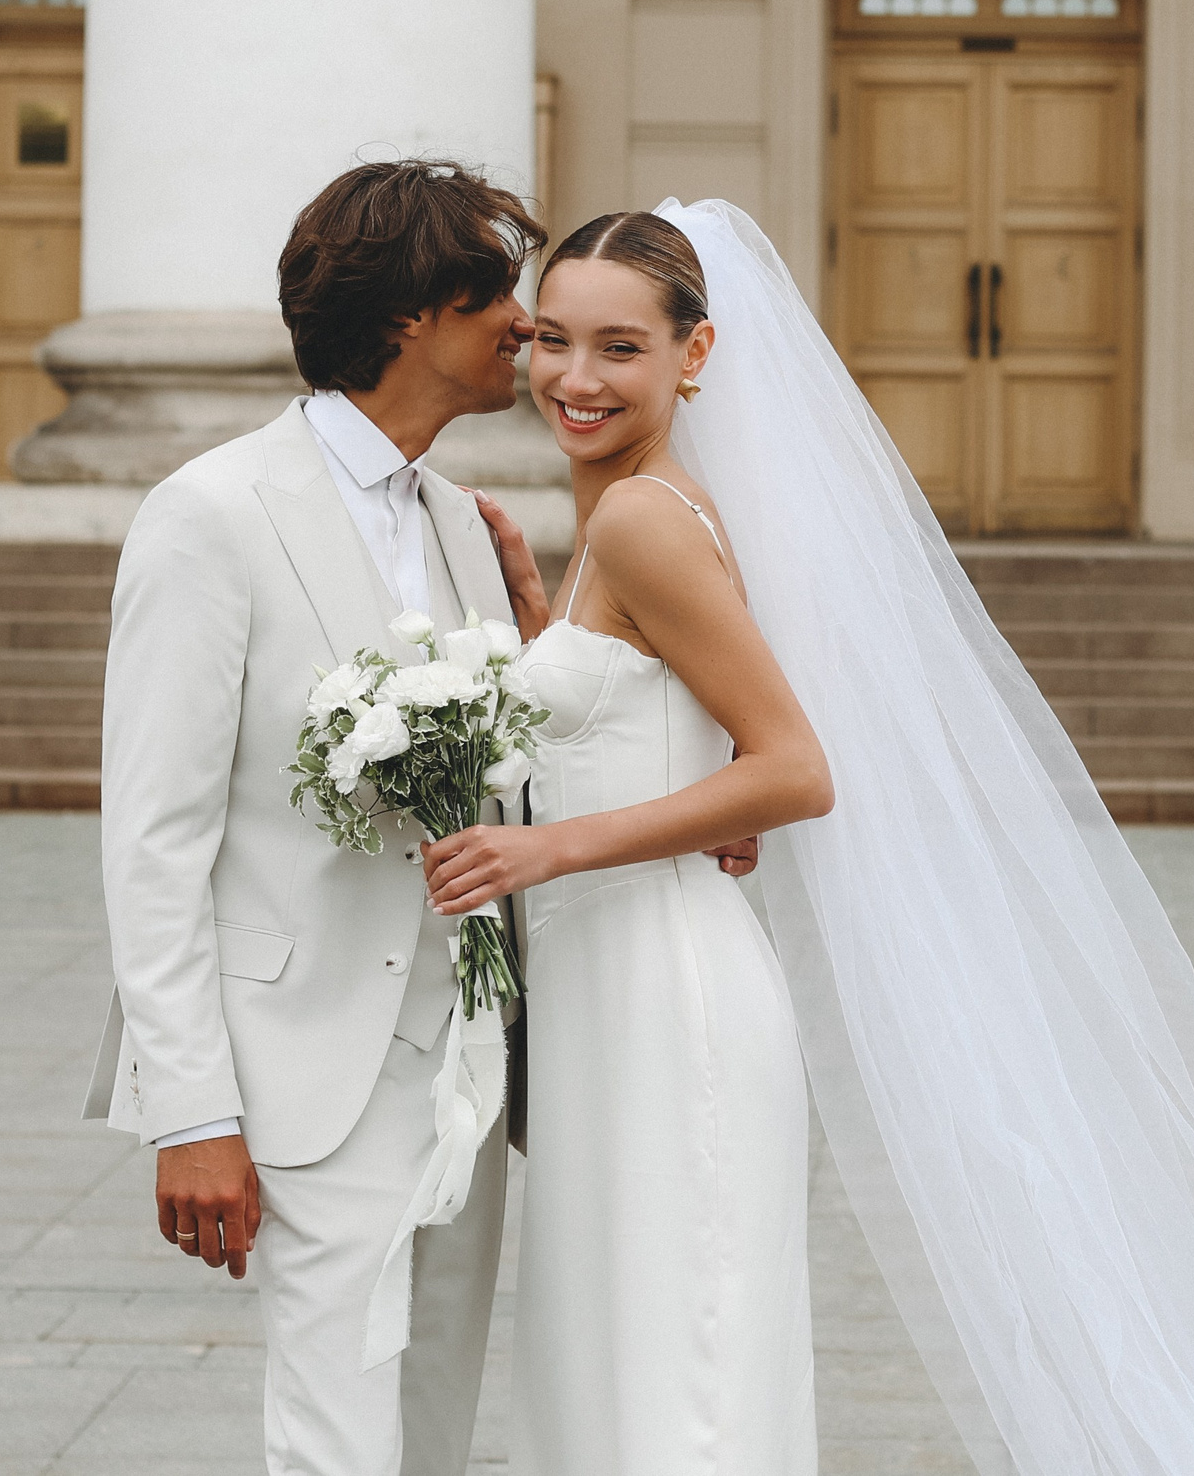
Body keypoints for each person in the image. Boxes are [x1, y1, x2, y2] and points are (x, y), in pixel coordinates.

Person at [422, 202, 1194, 1476]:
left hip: (661, 995)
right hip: (610, 992)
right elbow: (659, 731)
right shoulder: (623, 515)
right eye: (555, 342)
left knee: (675, 1370)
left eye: (620, 348)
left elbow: (794, 770)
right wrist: (536, 629)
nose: (575, 379)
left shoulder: (640, 521)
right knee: (629, 1358)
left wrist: (547, 854)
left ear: (696, 355)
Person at [85, 160, 758, 1476]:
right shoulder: (210, 516)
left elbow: (509, 756)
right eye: (499, 298)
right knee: (334, 1432)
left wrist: (693, 797)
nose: (526, 327)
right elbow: (153, 838)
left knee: (432, 1427)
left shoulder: (463, 521)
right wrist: (189, 1111)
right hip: (303, 1071)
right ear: (412, 317)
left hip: (471, 1062)